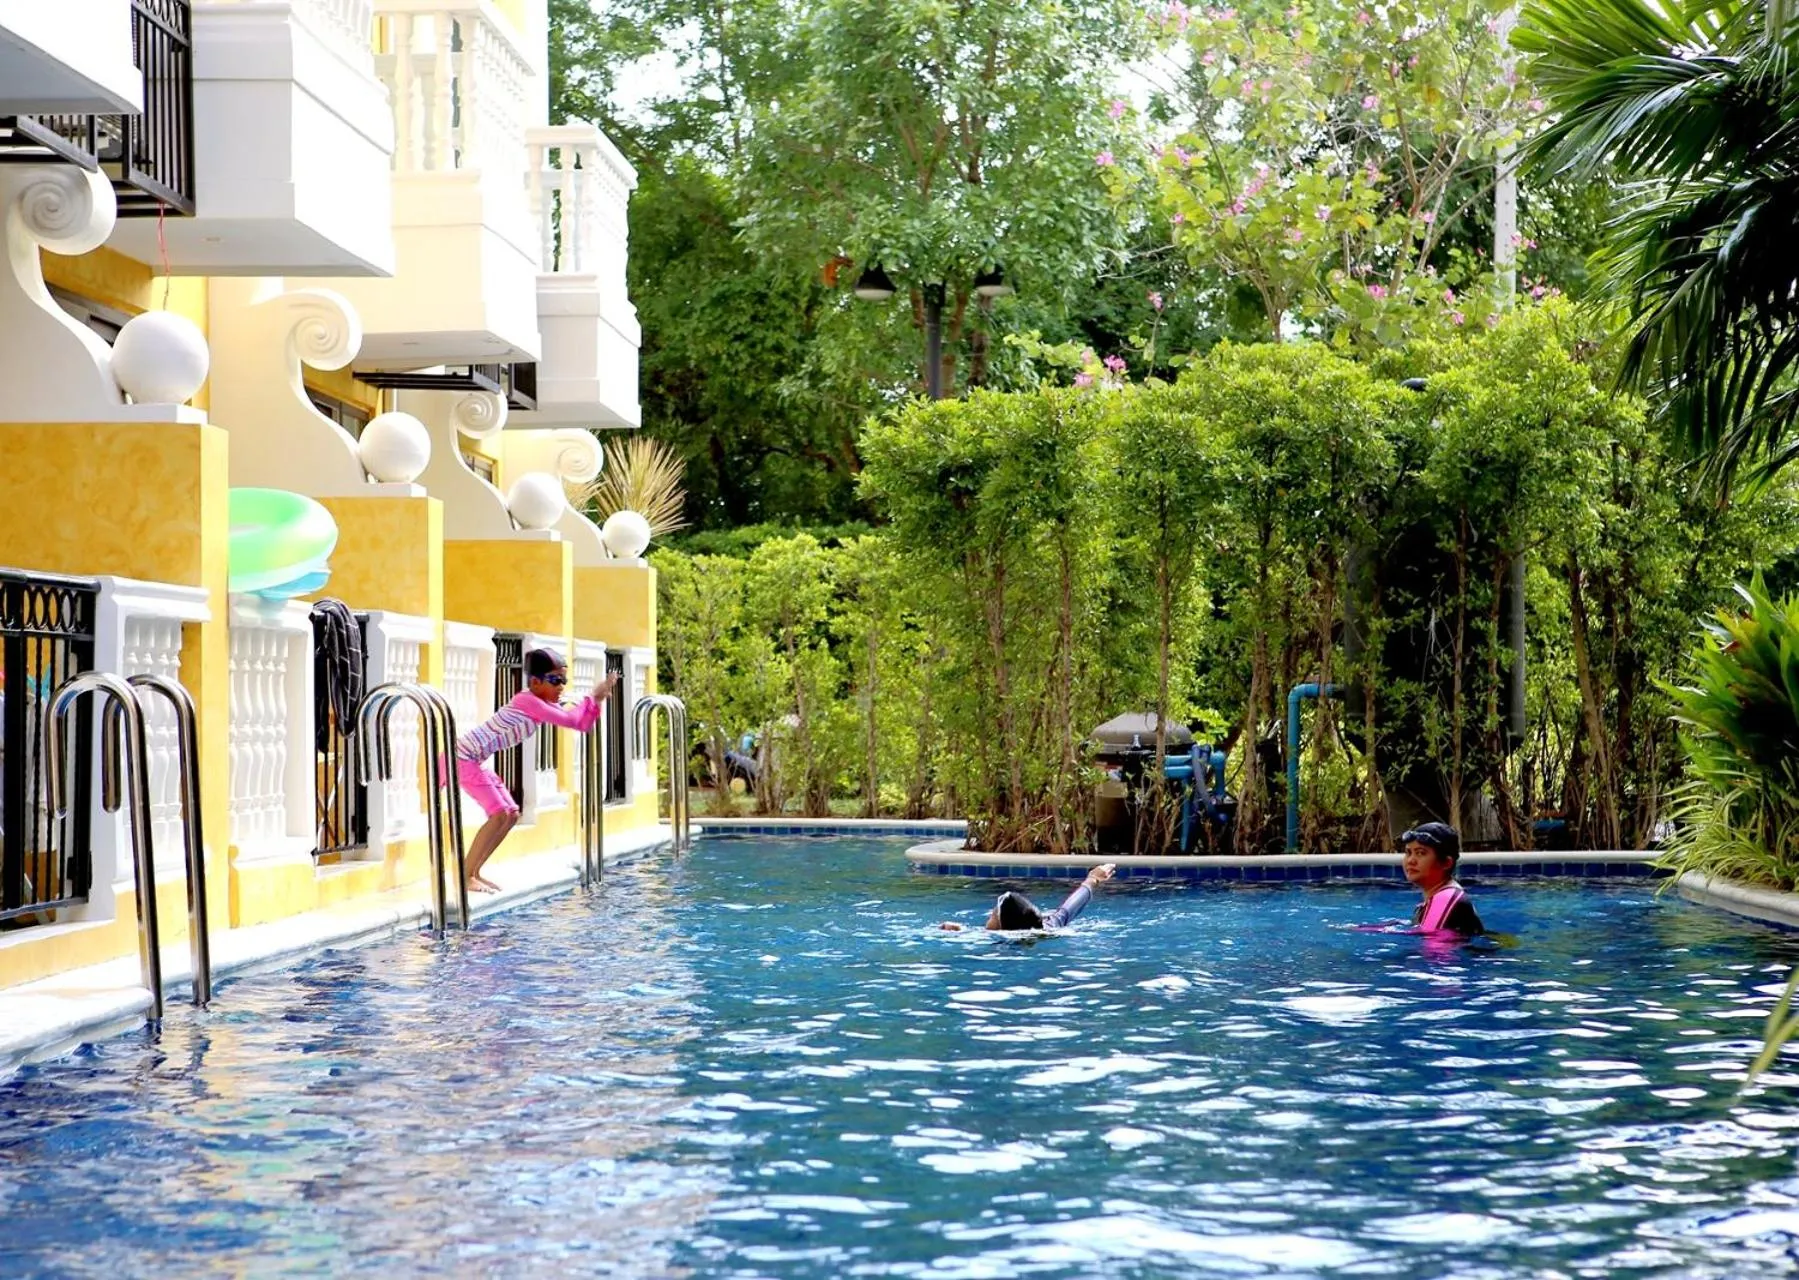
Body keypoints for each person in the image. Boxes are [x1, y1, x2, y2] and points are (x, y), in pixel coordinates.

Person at [453, 648, 617, 894]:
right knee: (499, 814)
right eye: (555, 680)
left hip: (474, 760)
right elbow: (572, 720)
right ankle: (464, 875)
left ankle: (474, 872)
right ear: (535, 682)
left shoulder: (543, 702)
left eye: (563, 680)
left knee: (511, 814)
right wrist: (593, 696)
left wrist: (597, 700)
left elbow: (582, 724)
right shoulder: (528, 701)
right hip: (462, 758)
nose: (560, 686)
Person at [941, 863, 1118, 932]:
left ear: (1003, 924)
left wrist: (960, 931)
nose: (989, 915)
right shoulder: (1048, 925)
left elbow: (984, 936)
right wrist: (1093, 879)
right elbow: (1067, 909)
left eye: (993, 915)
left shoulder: (1002, 938)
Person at [1402, 822, 1484, 935]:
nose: (1410, 860)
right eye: (1408, 852)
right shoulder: (1442, 897)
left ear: (1446, 863)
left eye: (1420, 853)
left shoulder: (1445, 898)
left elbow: (1432, 945)